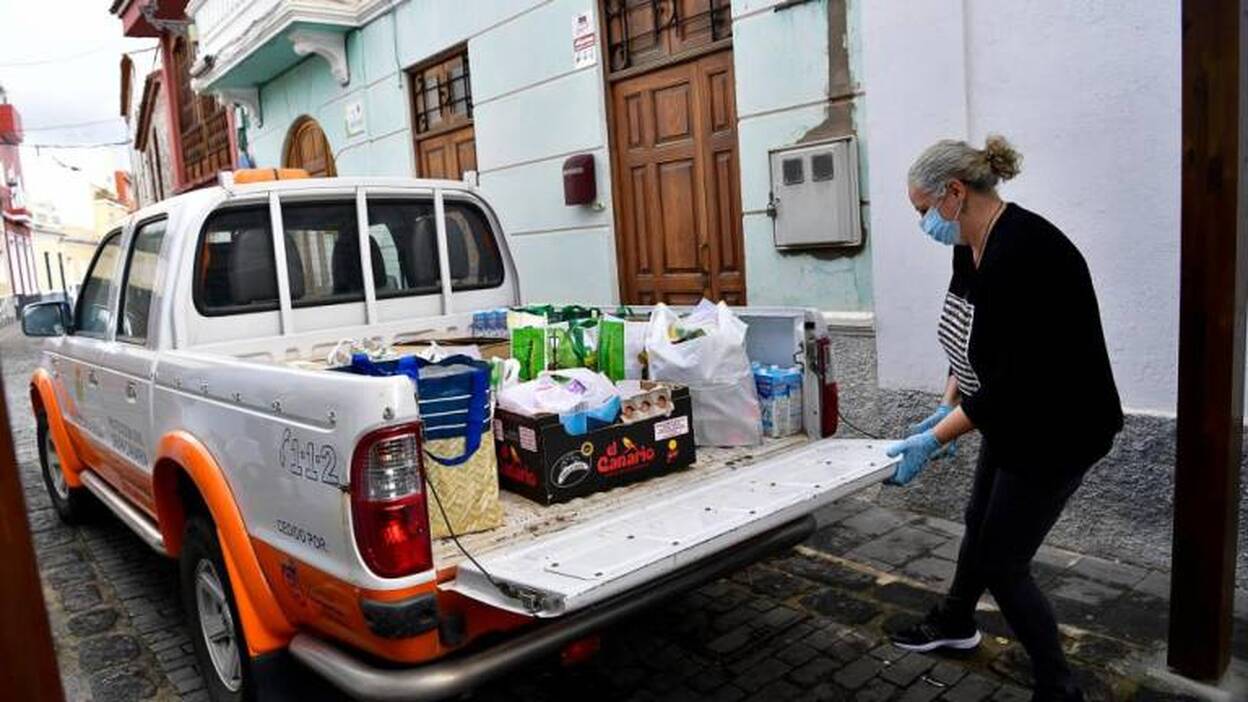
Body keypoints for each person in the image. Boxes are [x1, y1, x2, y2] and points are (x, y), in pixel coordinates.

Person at [883, 135, 1123, 702]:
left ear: (955, 193)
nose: (922, 222)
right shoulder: (969, 244)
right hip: (1013, 418)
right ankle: (956, 623)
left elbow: (1018, 381)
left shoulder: (1028, 252)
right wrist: (947, 403)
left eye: (922, 210)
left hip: (1061, 428)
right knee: (978, 518)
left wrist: (936, 438)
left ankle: (1058, 686)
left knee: (1004, 562)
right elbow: (966, 339)